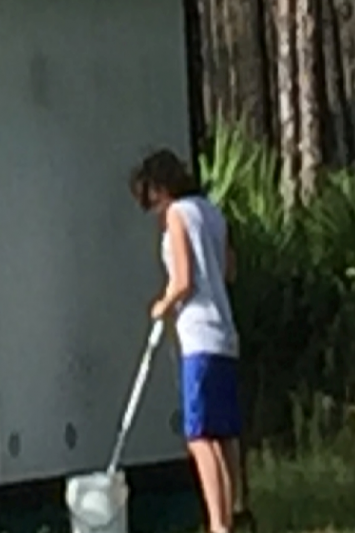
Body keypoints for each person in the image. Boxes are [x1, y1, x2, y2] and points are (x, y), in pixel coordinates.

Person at [130, 149, 247, 533]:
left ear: (162, 188)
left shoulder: (179, 215)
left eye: (152, 200)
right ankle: (232, 514)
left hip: (198, 336)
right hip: (225, 333)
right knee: (224, 433)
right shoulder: (212, 213)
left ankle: (217, 523)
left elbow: (182, 281)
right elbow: (229, 270)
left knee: (199, 436)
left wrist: (161, 306)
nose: (154, 210)